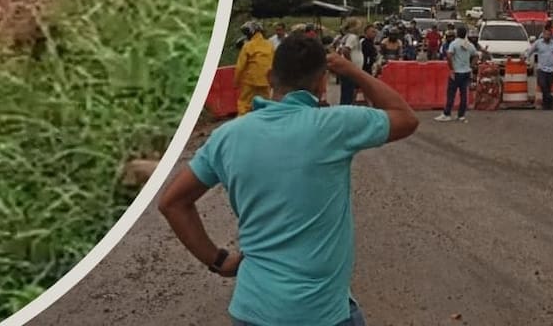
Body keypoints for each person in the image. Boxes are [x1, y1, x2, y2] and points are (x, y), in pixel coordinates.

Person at [157, 35, 418, 326]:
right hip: (322, 313)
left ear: (270, 77)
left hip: (253, 309)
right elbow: (405, 118)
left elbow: (173, 203)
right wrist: (353, 71)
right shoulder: (335, 126)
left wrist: (218, 261)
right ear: (322, 83)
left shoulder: (227, 137)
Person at [436, 26, 479, 123]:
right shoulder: (468, 44)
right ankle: (461, 115)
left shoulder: (454, 44)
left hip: (456, 72)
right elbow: (476, 55)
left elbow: (449, 55)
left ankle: (447, 114)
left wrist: (451, 68)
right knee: (464, 94)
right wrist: (471, 66)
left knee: (451, 93)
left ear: (457, 34)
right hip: (466, 72)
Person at [233, 22, 274, 117]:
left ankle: (241, 124)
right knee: (266, 104)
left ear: (251, 32)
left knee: (244, 103)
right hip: (266, 80)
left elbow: (240, 66)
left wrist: (236, 82)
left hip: (250, 81)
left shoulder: (248, 46)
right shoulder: (270, 44)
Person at [525, 27, 553, 110]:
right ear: (543, 35)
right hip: (541, 68)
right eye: (545, 34)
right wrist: (525, 57)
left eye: (549, 35)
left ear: (551, 36)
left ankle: (547, 105)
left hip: (551, 68)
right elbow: (530, 51)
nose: (547, 36)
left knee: (548, 87)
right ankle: (551, 99)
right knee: (542, 84)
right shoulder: (538, 43)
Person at [336, 18, 366, 106]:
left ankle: (344, 107)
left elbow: (339, 50)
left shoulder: (346, 37)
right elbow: (346, 50)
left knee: (346, 91)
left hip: (346, 69)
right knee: (348, 92)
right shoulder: (352, 37)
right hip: (350, 70)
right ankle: (346, 108)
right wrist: (350, 64)